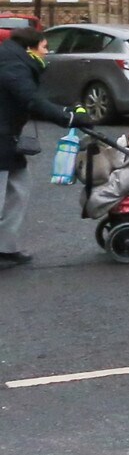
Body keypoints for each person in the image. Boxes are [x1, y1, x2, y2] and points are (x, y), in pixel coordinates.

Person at [0, 16, 77, 268]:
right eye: (44, 48)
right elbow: (30, 100)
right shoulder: (13, 66)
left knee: (19, 188)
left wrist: (67, 112)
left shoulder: (17, 61)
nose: (47, 53)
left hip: (8, 137)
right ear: (29, 48)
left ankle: (6, 247)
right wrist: (67, 119)